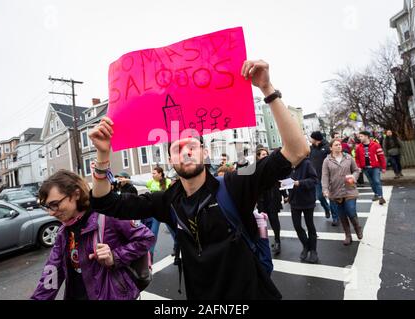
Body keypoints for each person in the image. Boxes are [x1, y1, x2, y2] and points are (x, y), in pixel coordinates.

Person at [88, 59, 309, 300]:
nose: (185, 151)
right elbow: (105, 202)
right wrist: (102, 155)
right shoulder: (167, 201)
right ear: (170, 160)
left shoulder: (235, 185)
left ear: (205, 153)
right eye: (177, 148)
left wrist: (267, 89)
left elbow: (297, 151)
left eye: (192, 145)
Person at [31, 170, 155, 300]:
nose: (51, 213)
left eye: (55, 204)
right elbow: (52, 273)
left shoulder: (108, 215)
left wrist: (115, 257)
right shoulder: (63, 232)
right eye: (47, 207)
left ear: (76, 194)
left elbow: (146, 238)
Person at [322, 139, 363, 245]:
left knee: (350, 211)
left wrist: (353, 177)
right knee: (342, 215)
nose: (339, 146)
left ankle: (357, 227)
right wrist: (325, 189)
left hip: (350, 189)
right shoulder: (327, 161)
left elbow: (356, 170)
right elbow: (325, 176)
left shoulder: (348, 157)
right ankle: (348, 235)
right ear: (331, 148)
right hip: (336, 192)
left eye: (339, 144)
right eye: (336, 145)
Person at [255, 147, 287, 256]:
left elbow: (280, 181)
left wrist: (285, 195)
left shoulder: (273, 167)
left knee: (274, 219)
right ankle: (264, 242)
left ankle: (277, 240)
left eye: (266, 154)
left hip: (273, 196)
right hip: (262, 198)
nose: (265, 156)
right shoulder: (255, 168)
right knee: (262, 221)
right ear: (258, 157)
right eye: (263, 154)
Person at [287, 157, 319, 263]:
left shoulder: (307, 163)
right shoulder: (289, 165)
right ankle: (306, 246)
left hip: (307, 201)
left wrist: (299, 183)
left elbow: (314, 180)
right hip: (294, 201)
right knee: (297, 226)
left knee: (310, 225)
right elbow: (287, 180)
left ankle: (313, 251)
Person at [309, 131, 337, 225]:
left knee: (331, 198)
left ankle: (335, 217)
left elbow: (334, 158)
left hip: (328, 177)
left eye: (311, 138)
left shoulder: (327, 147)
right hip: (316, 177)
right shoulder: (310, 148)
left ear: (316, 138)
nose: (310, 139)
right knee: (320, 197)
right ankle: (326, 209)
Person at [355, 131, 387, 205]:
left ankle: (381, 197)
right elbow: (357, 158)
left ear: (366, 136)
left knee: (377, 181)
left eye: (361, 136)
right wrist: (358, 167)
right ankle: (376, 194)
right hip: (365, 168)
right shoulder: (358, 147)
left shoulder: (376, 145)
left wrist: (383, 167)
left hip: (375, 167)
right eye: (359, 137)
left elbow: (381, 157)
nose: (360, 138)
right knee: (372, 182)